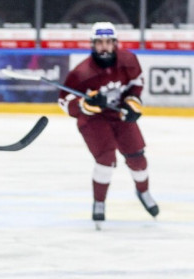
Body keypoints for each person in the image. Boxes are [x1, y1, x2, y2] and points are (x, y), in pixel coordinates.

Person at [59, 22, 158, 229]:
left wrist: (132, 102)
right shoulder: (81, 73)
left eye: (108, 42)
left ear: (115, 43)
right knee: (105, 160)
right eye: (99, 43)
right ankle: (99, 202)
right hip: (93, 120)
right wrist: (86, 104)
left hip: (119, 114)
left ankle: (143, 191)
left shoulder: (128, 60)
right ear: (92, 45)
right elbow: (64, 102)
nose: (104, 47)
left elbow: (136, 83)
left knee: (137, 158)